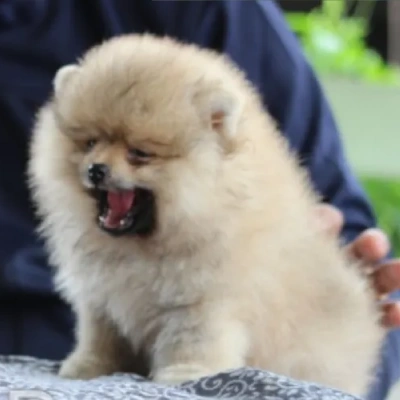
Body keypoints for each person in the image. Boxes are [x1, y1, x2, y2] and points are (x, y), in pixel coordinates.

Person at [0, 1, 399, 399]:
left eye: (141, 154)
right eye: (88, 143)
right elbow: (100, 302)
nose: (100, 164)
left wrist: (333, 260)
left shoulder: (213, 12)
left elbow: (345, 222)